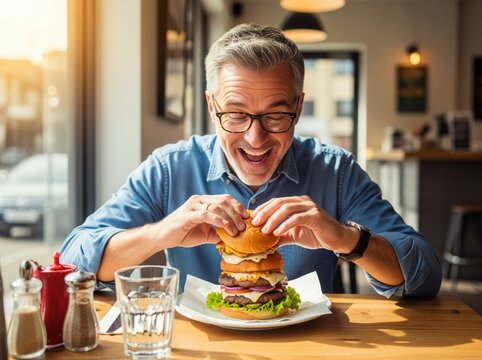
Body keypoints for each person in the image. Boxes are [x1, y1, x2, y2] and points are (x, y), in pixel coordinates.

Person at [60, 23, 442, 296]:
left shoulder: (336, 170)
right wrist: (164, 232)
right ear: (212, 107)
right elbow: (73, 261)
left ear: (298, 106)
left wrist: (346, 239)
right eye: (236, 114)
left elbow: (425, 274)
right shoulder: (168, 168)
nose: (255, 139)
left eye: (276, 115)